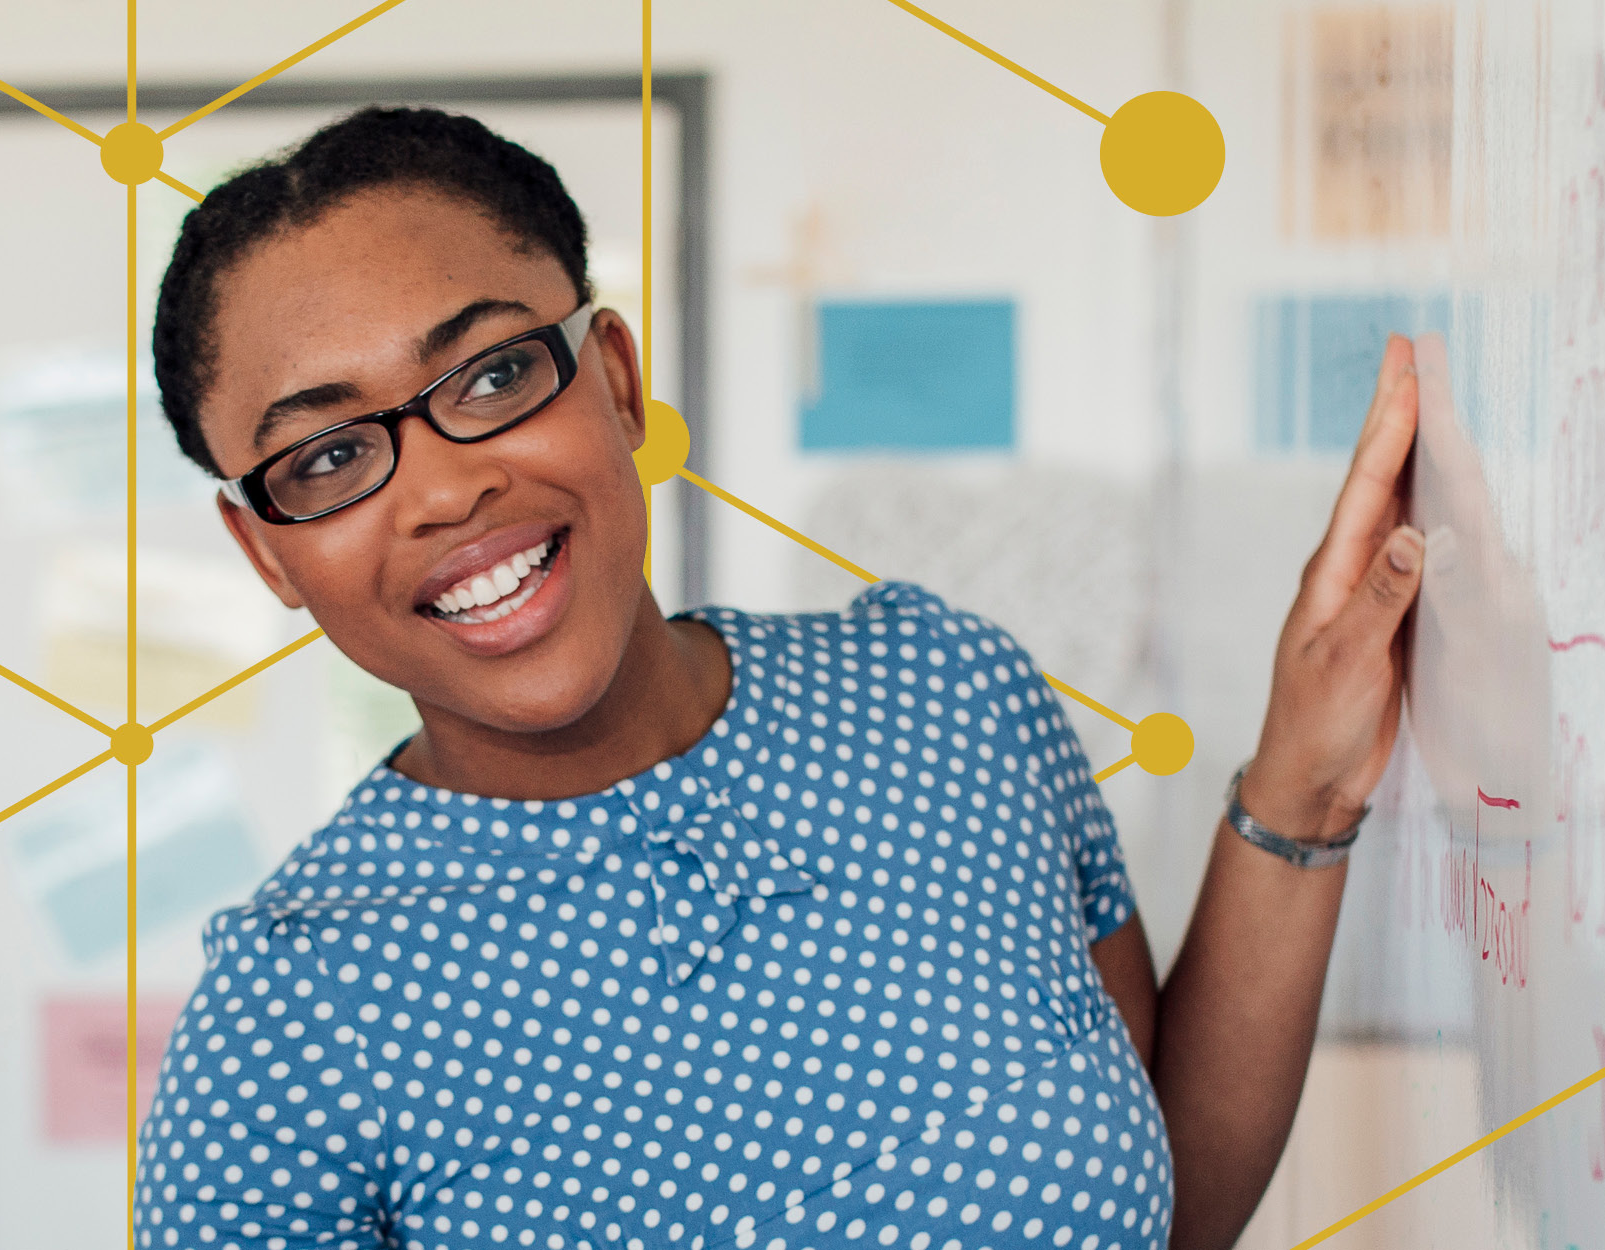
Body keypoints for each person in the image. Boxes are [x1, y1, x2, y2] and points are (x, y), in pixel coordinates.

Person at [129, 107, 1424, 1250]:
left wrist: (1302, 783)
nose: (445, 484)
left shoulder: (944, 695)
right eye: (327, 457)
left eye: (495, 372)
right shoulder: (289, 1021)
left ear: (617, 381)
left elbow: (1160, 1201)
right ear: (267, 551)